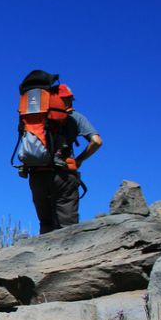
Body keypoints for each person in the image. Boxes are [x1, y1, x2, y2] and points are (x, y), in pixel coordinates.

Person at [27, 83, 102, 233]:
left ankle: (46, 255)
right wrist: (79, 160)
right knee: (68, 227)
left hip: (37, 175)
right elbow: (96, 141)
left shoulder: (35, 118)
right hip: (64, 174)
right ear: (67, 99)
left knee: (46, 224)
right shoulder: (75, 117)